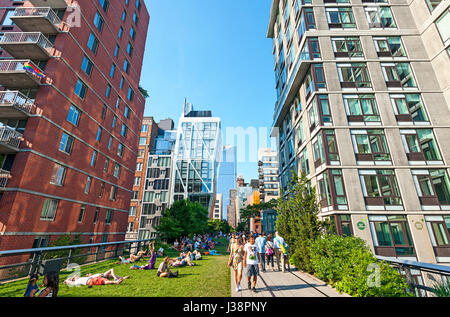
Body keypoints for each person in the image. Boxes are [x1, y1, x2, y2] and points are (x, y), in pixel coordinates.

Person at [64, 269, 129, 286]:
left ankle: (117, 280)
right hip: (91, 281)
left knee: (103, 280)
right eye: (75, 277)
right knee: (103, 281)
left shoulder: (79, 279)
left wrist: (72, 278)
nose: (76, 277)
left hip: (92, 279)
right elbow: (69, 282)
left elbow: (76, 275)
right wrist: (67, 280)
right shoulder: (76, 282)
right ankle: (116, 282)